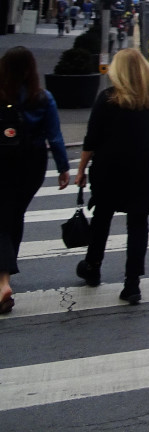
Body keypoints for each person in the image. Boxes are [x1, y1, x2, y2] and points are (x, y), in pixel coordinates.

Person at [74, 49, 149, 306]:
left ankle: (93, 266)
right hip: (146, 165)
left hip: (111, 165)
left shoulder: (107, 99)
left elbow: (92, 138)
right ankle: (132, 283)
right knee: (138, 223)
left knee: (102, 216)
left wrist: (81, 170)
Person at [0, 47, 70, 314]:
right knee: (15, 214)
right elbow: (55, 136)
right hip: (32, 164)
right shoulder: (42, 97)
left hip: (3, 160)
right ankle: (6, 273)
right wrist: (63, 168)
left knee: (2, 218)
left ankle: (3, 281)